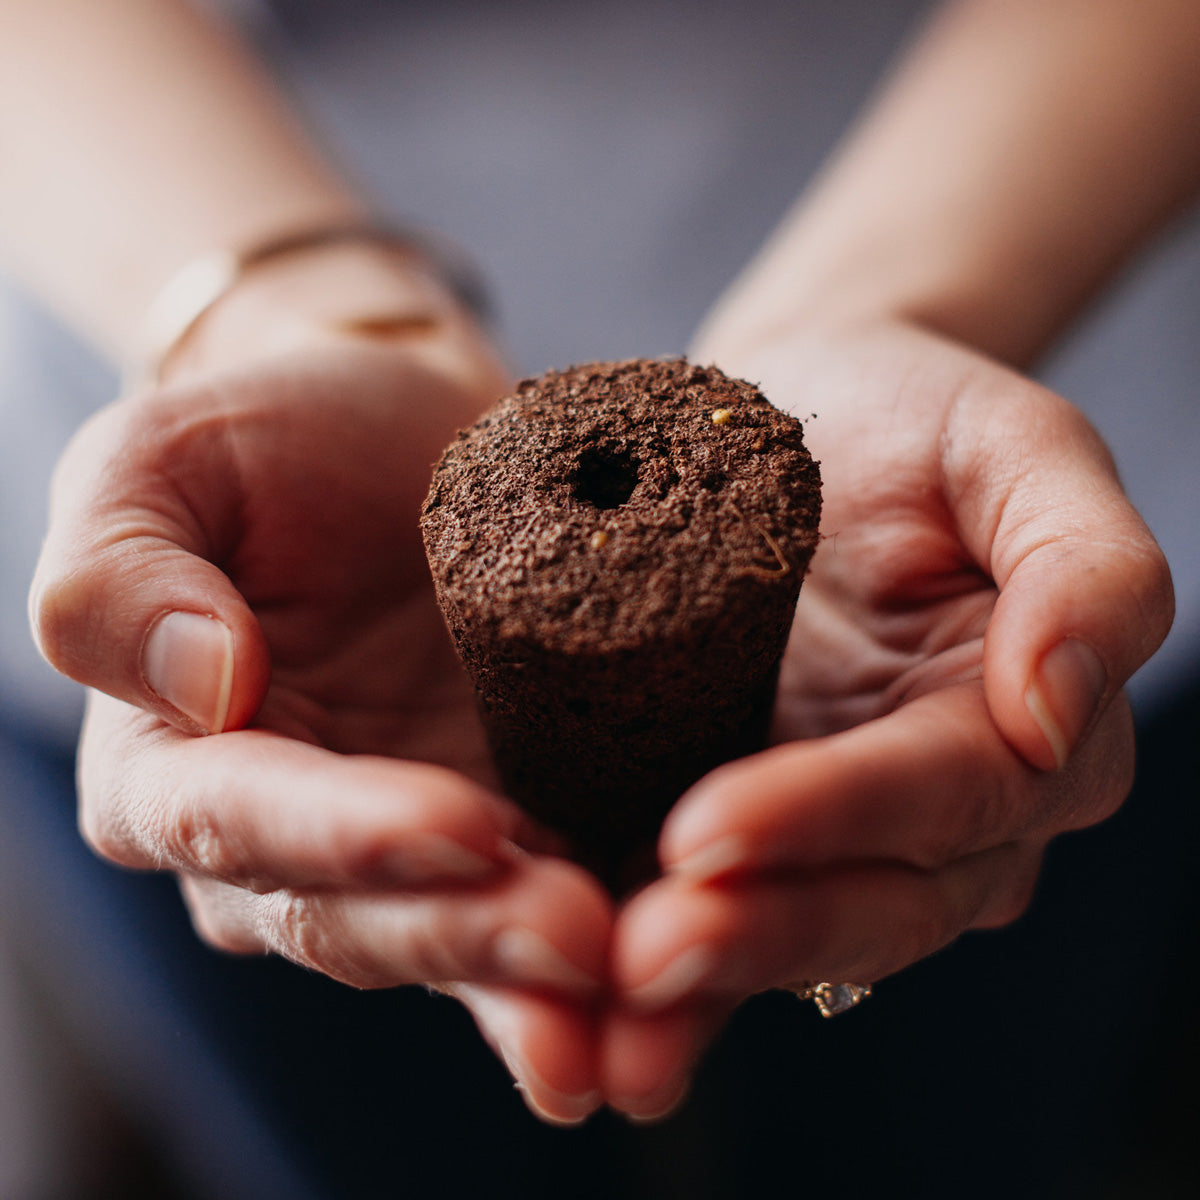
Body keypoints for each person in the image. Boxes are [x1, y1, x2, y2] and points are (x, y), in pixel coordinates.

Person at [0, 0, 1195, 1194]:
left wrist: (909, 305)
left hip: (979, 464)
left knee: (941, 1138)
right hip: (207, 434)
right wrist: (276, 314)